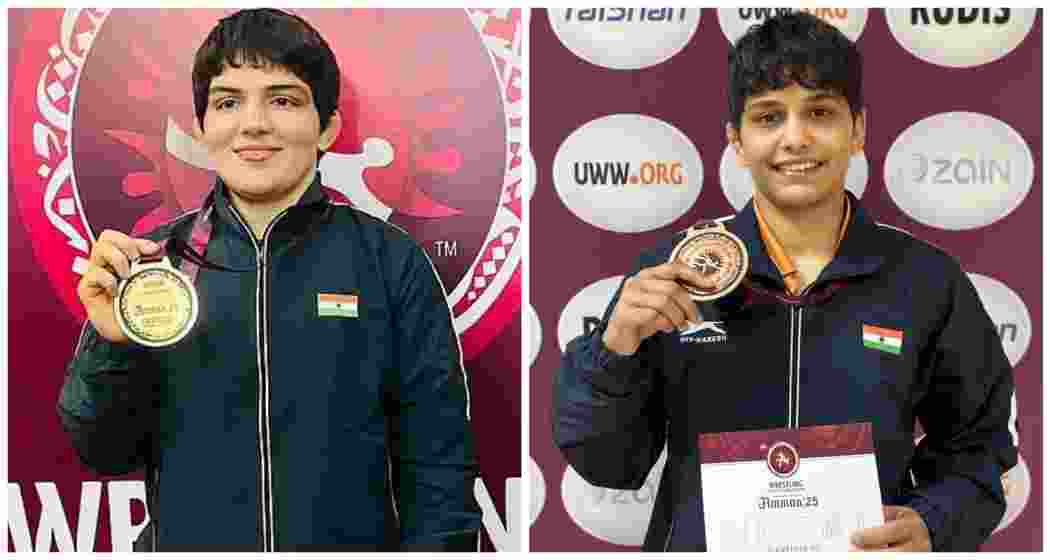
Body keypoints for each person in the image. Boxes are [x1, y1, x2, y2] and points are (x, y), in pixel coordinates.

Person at [554, 11, 1016, 552]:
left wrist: (933, 522)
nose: (795, 139)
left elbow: (979, 446)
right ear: (736, 139)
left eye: (819, 112)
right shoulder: (672, 273)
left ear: (858, 129)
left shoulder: (926, 280)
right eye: (769, 118)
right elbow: (608, 464)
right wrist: (615, 352)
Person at [58, 8, 480, 551]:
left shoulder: (389, 261)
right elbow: (102, 450)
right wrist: (112, 345)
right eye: (229, 101)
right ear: (203, 127)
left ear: (327, 128)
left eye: (282, 99)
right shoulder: (151, 265)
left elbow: (439, 466)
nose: (253, 123)